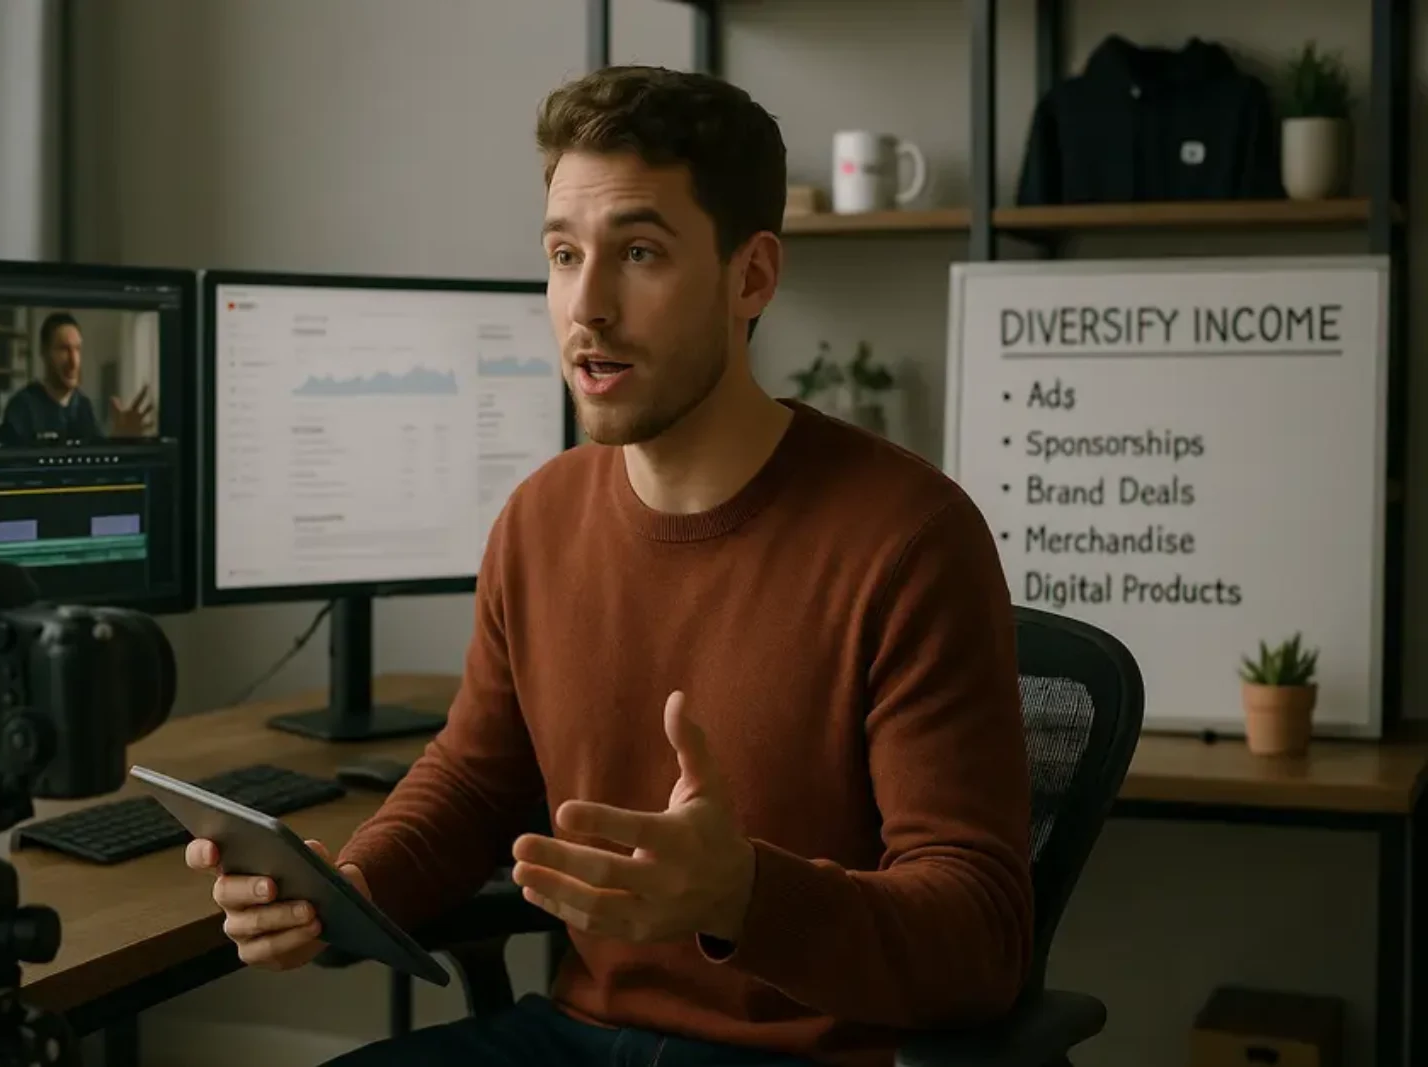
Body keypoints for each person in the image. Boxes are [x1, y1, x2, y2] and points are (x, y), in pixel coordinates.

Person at [186, 66, 1033, 1067]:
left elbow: (980, 939)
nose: (585, 304)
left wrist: (742, 893)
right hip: (577, 1034)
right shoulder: (537, 519)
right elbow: (471, 779)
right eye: (561, 253)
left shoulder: (909, 536)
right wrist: (351, 888)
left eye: (638, 252)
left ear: (750, 277)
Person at [0, 311, 153, 443]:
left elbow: (96, 464)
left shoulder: (83, 406)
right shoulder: (22, 408)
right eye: (64, 349)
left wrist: (118, 439)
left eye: (77, 349)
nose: (74, 361)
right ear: (44, 353)